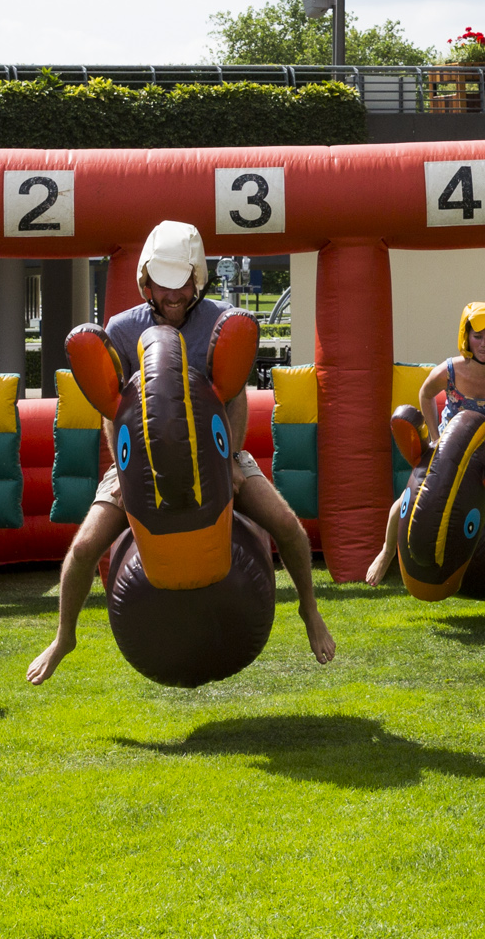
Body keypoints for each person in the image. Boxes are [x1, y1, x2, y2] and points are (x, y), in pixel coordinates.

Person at [27, 221, 333, 683]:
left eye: (181, 285)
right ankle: (64, 636)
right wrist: (124, 473)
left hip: (216, 456)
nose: (172, 296)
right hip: (142, 466)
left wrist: (230, 461)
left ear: (197, 280)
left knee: (288, 528)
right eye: (162, 285)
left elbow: (234, 396)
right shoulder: (122, 328)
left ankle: (309, 611)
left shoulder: (220, 321)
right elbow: (114, 409)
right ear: (146, 282)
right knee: (85, 546)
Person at [363, 301, 485, 587]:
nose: (484, 344)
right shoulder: (449, 371)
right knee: (411, 498)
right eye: (477, 336)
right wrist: (435, 437)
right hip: (453, 446)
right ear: (466, 338)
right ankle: (386, 551)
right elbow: (425, 394)